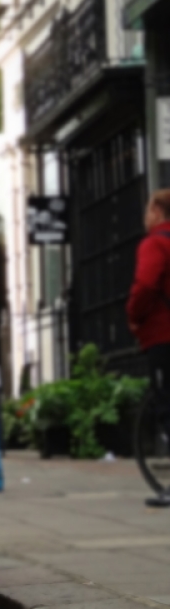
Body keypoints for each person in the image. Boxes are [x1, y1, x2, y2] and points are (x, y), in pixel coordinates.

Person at [127, 190, 170, 507]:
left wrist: (133, 315)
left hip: (163, 333)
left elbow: (145, 284)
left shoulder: (156, 243)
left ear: (157, 212)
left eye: (147, 210)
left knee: (166, 404)